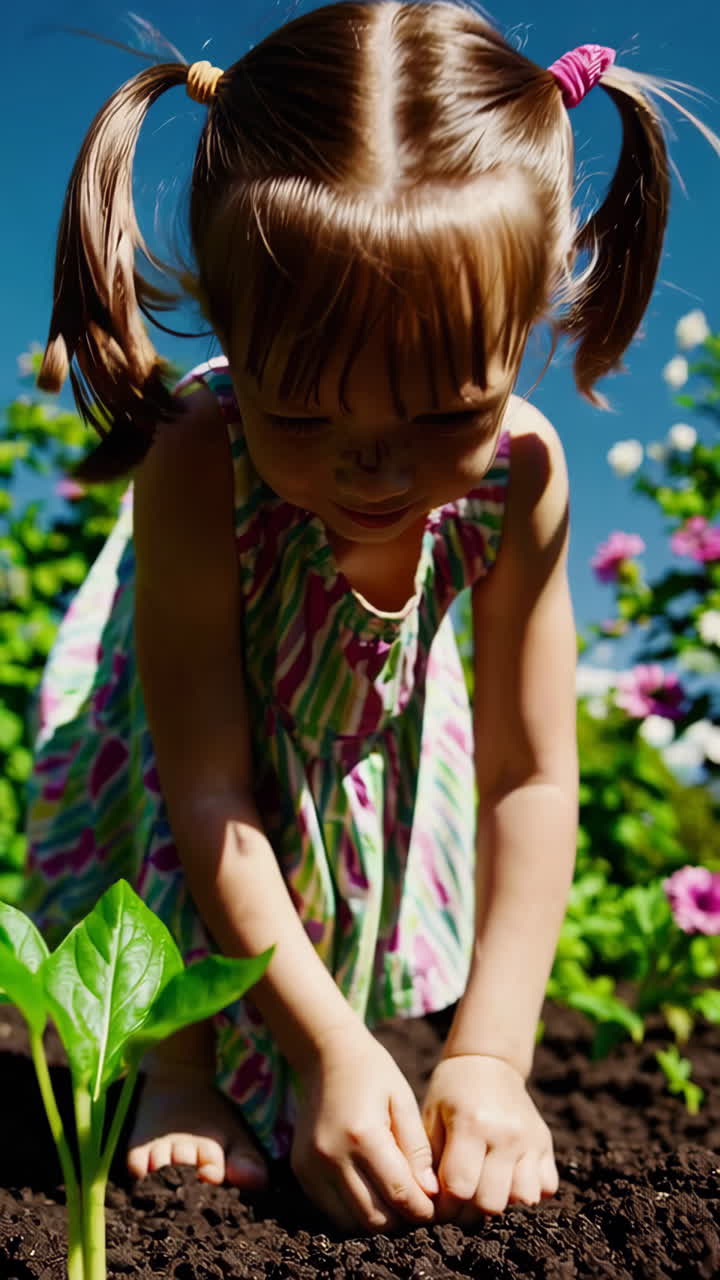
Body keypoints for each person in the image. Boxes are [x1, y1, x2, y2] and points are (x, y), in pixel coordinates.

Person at [24, 0, 717, 1236]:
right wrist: (326, 1050)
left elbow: (527, 774)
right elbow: (205, 796)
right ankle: (176, 1070)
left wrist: (491, 1055)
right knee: (181, 954)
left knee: (372, 1036)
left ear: (529, 327)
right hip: (190, 766)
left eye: (447, 414)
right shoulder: (199, 457)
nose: (376, 474)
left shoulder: (523, 477)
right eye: (304, 420)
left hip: (370, 745)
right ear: (236, 343)